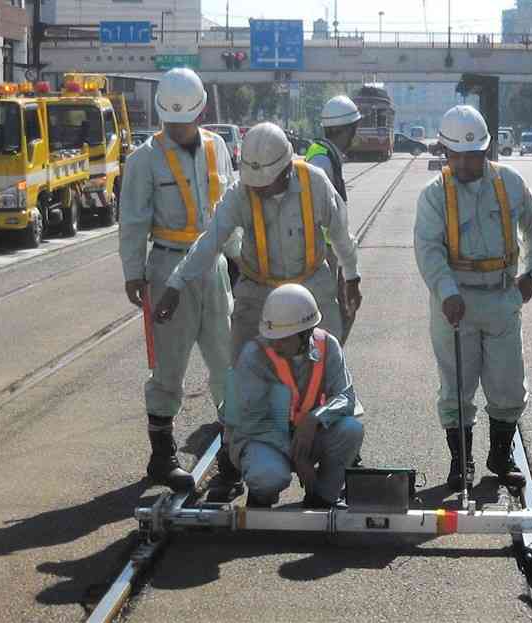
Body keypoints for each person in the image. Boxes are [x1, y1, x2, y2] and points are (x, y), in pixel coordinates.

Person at [414, 105, 532, 491]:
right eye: (459, 156)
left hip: (503, 297)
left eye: (476, 155)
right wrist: (446, 291)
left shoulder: (510, 183)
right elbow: (428, 250)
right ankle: (461, 461)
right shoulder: (434, 195)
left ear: (487, 150)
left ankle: (500, 454)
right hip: (454, 304)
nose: (468, 164)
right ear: (445, 152)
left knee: (508, 382)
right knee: (456, 386)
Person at [153, 121, 361, 365]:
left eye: (264, 183)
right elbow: (210, 241)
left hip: (312, 285)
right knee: (242, 368)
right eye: (252, 182)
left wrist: (351, 277)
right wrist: (175, 284)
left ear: (286, 169)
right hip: (257, 292)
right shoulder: (240, 193)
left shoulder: (315, 183)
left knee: (326, 363)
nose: (256, 189)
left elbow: (340, 233)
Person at [119, 68, 236, 492]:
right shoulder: (143, 159)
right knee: (168, 365)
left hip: (214, 267)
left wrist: (243, 261)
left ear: (201, 111)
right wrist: (134, 272)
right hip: (167, 267)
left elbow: (230, 209)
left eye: (185, 119)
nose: (178, 127)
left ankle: (232, 451)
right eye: (171, 120)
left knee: (227, 360)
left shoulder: (217, 147)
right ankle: (162, 455)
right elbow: (132, 220)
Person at [225, 283, 364, 508]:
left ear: (305, 334)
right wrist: (297, 456)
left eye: (284, 338)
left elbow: (346, 397)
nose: (275, 343)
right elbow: (251, 423)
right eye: (273, 336)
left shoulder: (328, 346)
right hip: (264, 439)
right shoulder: (254, 356)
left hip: (306, 437)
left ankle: (322, 498)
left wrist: (314, 419)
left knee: (351, 430)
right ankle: (262, 495)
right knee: (268, 477)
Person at [305, 95, 362, 344]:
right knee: (338, 313)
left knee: (341, 311)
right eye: (355, 129)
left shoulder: (325, 154)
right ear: (347, 130)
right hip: (325, 252)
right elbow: (324, 215)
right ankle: (328, 365)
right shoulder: (322, 160)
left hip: (330, 249)